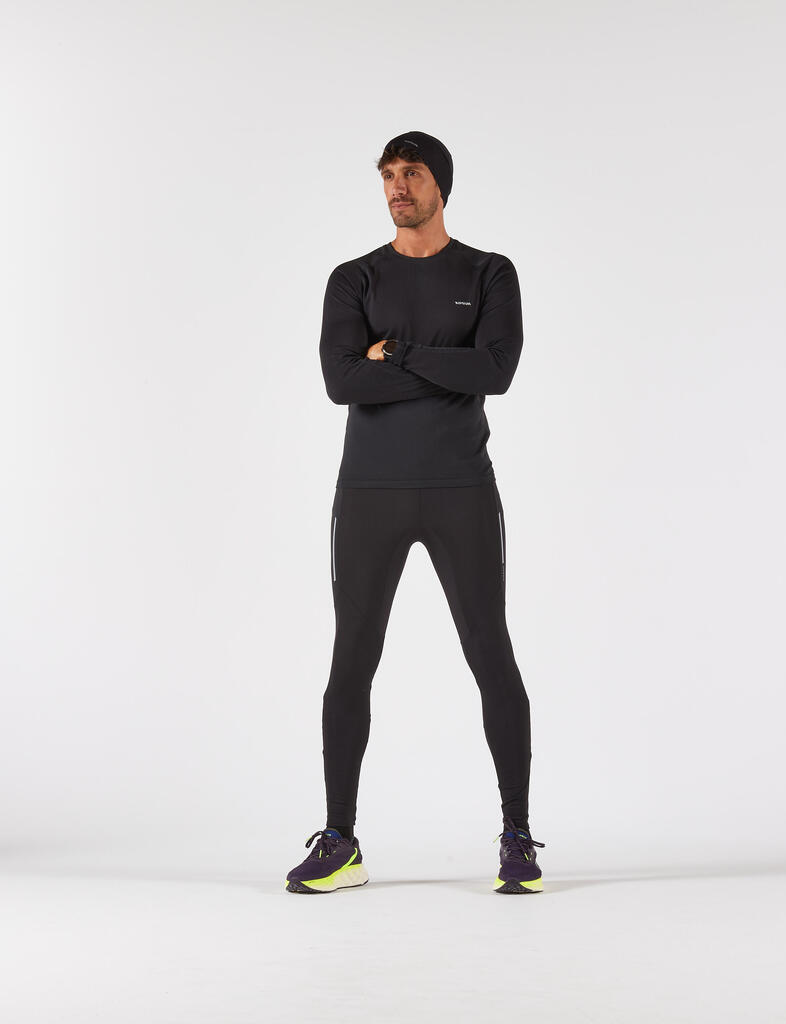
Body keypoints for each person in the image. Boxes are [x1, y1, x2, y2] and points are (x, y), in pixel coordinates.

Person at [285, 131, 545, 895]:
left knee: (490, 651)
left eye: (413, 174)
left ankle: (518, 837)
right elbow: (341, 383)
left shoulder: (489, 272)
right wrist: (444, 366)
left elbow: (497, 371)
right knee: (352, 658)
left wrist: (393, 353)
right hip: (369, 493)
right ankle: (340, 840)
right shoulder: (354, 278)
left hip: (462, 489)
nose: (398, 187)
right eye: (389, 175)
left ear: (441, 186)